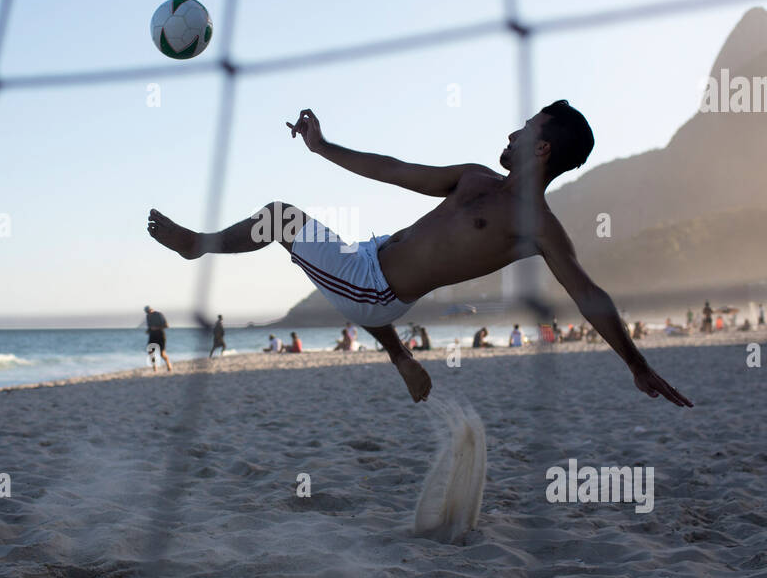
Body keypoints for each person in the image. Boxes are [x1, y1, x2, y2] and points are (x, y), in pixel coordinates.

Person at [148, 102, 691, 407]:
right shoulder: (475, 177)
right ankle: (403, 358)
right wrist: (323, 147)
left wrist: (636, 364)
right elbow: (391, 168)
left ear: (542, 148)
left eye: (524, 130)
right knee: (375, 256)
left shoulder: (537, 226)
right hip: (374, 260)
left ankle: (199, 246)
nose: (511, 132)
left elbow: (588, 293)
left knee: (279, 216)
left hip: (375, 290)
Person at [144, 305, 173, 373]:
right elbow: (150, 327)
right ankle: (155, 369)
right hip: (152, 336)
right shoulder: (148, 316)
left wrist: (156, 328)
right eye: (147, 312)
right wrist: (148, 330)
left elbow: (166, 325)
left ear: (152, 309)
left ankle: (169, 366)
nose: (148, 313)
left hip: (160, 336)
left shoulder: (159, 314)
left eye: (149, 311)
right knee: (150, 352)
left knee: (162, 354)